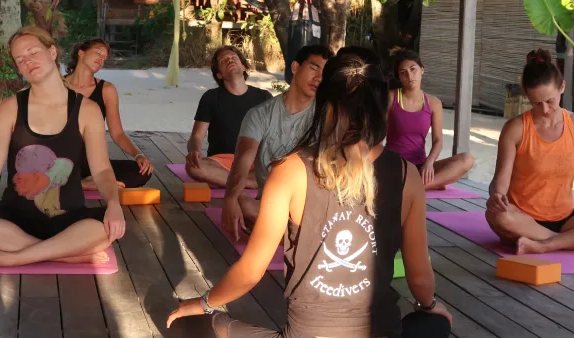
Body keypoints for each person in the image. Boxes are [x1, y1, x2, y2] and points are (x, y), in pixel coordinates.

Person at [166, 47, 452, 338]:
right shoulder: (407, 174)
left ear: (324, 103)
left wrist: (203, 303)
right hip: (382, 332)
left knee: (202, 323)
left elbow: (251, 271)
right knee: (436, 324)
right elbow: (418, 275)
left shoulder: (289, 171)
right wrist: (428, 307)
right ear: (382, 108)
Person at [0, 26, 125, 268]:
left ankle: (14, 257)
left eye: (32, 52)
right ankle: (65, 253)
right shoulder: (10, 108)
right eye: (20, 59)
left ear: (52, 52)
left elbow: (101, 170)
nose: (28, 61)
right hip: (15, 219)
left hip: (69, 218)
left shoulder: (87, 110)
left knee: (107, 228)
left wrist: (113, 203)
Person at [222, 45, 333, 241]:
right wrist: (229, 200)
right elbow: (243, 158)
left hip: (314, 206)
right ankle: (299, 239)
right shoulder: (260, 114)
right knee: (241, 202)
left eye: (325, 73)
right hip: (274, 205)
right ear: (295, 67)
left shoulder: (328, 116)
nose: (319, 78)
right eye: (314, 68)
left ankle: (291, 236)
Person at [486, 49, 574, 255]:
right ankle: (563, 242)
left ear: (562, 87)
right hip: (521, 217)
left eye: (550, 101)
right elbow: (500, 181)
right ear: (527, 96)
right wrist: (497, 196)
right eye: (536, 103)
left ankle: (543, 244)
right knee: (497, 216)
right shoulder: (515, 128)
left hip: (566, 218)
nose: (544, 109)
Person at [64, 38, 153, 191]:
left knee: (141, 171)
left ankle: (86, 182)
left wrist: (138, 155)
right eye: (98, 53)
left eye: (104, 58)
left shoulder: (107, 89)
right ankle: (87, 183)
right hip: (60, 159)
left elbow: (117, 133)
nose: (101, 59)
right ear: (81, 53)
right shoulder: (58, 85)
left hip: (92, 161)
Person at [386, 48, 474, 190]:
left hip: (421, 165)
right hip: (396, 165)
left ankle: (418, 186)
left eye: (413, 69)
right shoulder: (391, 98)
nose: (409, 75)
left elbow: (438, 140)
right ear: (399, 77)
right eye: (403, 73)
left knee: (467, 159)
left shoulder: (434, 103)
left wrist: (429, 162)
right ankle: (427, 185)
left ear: (422, 70)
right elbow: (378, 133)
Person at [186, 46, 272, 188]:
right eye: (224, 61)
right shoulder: (211, 97)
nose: (230, 60)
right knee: (194, 167)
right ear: (219, 74)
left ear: (244, 67)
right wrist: (194, 151)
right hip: (222, 162)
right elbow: (196, 136)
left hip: (255, 161)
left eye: (233, 58)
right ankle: (251, 182)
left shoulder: (263, 96)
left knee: (285, 167)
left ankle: (230, 181)